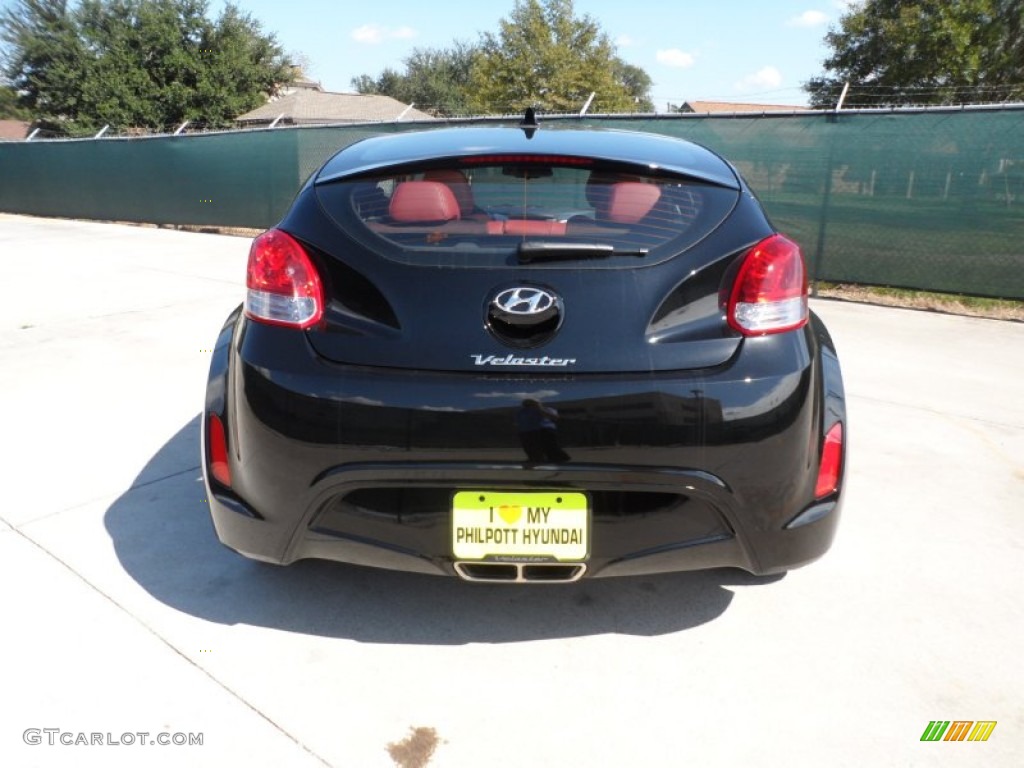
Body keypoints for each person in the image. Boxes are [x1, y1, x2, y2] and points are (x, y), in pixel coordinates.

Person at [516, 399, 571, 464]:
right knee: (529, 447)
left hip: (543, 429)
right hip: (526, 431)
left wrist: (539, 408)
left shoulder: (547, 409)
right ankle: (535, 458)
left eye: (531, 404)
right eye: (526, 404)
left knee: (550, 445)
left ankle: (559, 458)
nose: (529, 406)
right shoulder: (521, 412)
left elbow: (554, 417)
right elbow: (518, 421)